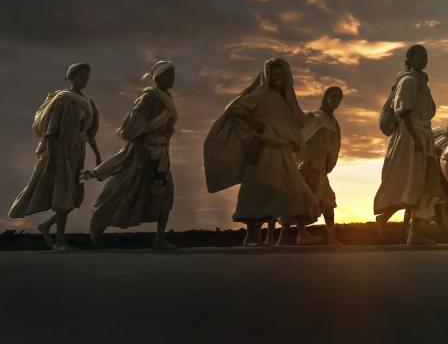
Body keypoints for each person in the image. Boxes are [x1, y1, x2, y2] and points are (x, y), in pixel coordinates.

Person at [204, 58, 317, 247]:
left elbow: (287, 124)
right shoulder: (263, 94)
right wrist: (256, 124)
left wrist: (295, 139)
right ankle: (252, 236)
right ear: (268, 76)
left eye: (282, 74)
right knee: (258, 191)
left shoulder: (285, 98)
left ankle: (298, 234)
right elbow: (234, 108)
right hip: (265, 151)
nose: (279, 78)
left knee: (292, 192)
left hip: (282, 152)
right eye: (275, 74)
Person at [85, 61, 178, 250]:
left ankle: (159, 240)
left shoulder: (167, 98)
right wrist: (142, 155)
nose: (172, 79)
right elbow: (134, 128)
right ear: (158, 78)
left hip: (160, 155)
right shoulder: (148, 99)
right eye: (168, 75)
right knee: (122, 191)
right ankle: (97, 229)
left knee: (165, 194)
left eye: (173, 75)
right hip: (141, 153)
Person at [9, 63, 102, 250]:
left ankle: (47, 226)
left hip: (77, 152)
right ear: (72, 77)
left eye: (86, 77)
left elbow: (89, 132)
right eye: (80, 76)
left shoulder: (88, 102)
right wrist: (51, 158)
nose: (84, 80)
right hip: (60, 151)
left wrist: (97, 154)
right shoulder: (63, 99)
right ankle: (60, 241)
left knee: (73, 195)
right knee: (63, 192)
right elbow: (51, 132)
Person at [374, 44, 440, 245]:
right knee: (413, 183)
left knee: (425, 185)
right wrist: (416, 140)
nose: (424, 59)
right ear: (410, 59)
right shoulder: (409, 81)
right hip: (410, 137)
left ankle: (414, 234)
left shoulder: (421, 82)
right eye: (420, 56)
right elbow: (403, 112)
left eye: (426, 56)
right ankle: (386, 218)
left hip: (421, 134)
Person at [279, 86, 343, 246]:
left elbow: (334, 146)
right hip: (307, 164)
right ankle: (284, 238)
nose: (336, 101)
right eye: (334, 96)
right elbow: (299, 136)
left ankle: (331, 238)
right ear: (326, 96)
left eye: (339, 98)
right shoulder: (313, 117)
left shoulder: (334, 123)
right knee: (296, 200)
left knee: (328, 201)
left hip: (320, 167)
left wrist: (328, 164)